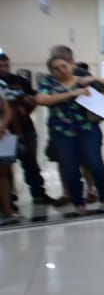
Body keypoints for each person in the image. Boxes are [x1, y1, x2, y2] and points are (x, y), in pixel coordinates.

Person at [35, 55, 104, 214]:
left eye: (64, 66)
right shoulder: (48, 83)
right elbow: (41, 100)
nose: (61, 70)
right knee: (70, 168)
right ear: (51, 71)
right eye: (56, 68)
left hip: (87, 129)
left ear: (70, 65)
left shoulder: (83, 80)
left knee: (95, 163)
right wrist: (71, 94)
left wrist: (94, 78)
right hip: (62, 132)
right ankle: (78, 202)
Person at [0, 52, 50, 206]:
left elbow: (35, 98)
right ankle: (7, 200)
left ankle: (38, 194)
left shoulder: (19, 81)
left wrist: (29, 104)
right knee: (5, 168)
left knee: (30, 163)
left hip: (26, 128)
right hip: (5, 133)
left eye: (6, 65)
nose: (4, 68)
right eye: (0, 66)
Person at [0, 93, 19, 223]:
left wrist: (3, 125)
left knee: (4, 174)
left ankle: (7, 210)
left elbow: (7, 110)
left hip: (2, 135)